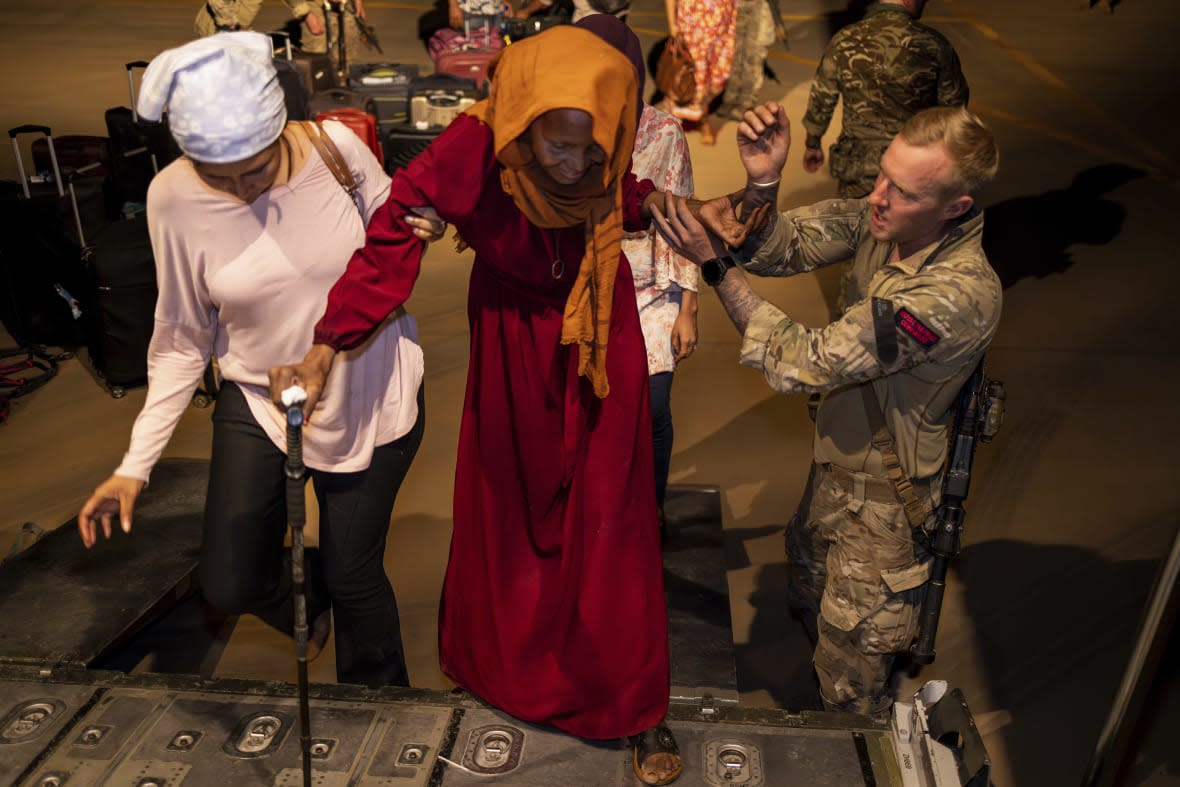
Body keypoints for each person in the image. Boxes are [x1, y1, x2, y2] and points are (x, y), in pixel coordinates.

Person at [268, 26, 756, 785]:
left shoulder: (608, 145)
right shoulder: (472, 143)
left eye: (590, 150)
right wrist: (328, 343)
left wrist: (709, 199)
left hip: (599, 330)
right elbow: (393, 232)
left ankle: (633, 704)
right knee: (511, 513)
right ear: (522, 119)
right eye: (556, 147)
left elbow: (623, 196)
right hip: (510, 338)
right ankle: (512, 672)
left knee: (611, 519)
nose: (573, 164)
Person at [75, 33, 425, 690]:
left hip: (369, 384)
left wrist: (428, 221)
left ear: (280, 130)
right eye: (219, 176)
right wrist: (134, 466)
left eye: (256, 171)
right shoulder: (172, 197)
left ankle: (380, 706)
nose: (240, 191)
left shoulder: (337, 151)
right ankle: (308, 598)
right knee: (229, 580)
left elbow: (397, 244)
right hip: (257, 395)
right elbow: (181, 336)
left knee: (356, 576)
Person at [652, 102, 1001, 719]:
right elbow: (780, 246)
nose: (877, 197)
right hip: (838, 470)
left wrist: (714, 264)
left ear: (955, 209)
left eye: (903, 189)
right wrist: (763, 183)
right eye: (881, 174)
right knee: (809, 593)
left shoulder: (953, 294)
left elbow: (802, 361)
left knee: (851, 676)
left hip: (888, 509)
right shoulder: (890, 220)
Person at [575, 14, 698, 532]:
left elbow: (684, 219)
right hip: (588, 288)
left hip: (651, 288)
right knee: (595, 408)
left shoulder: (664, 133)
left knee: (653, 405)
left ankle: (651, 504)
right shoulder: (571, 128)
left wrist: (687, 307)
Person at [801, 0, 969, 199]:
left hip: (858, 167)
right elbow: (954, 107)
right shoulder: (934, 44)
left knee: (856, 224)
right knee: (909, 223)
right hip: (913, 162)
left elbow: (822, 98)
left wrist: (813, 143)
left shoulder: (844, 39)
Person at [664, 0, 738, 145]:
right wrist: (672, 23)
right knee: (691, 73)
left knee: (719, 74)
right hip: (693, 22)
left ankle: (694, 113)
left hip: (724, 25)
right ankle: (698, 120)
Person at [714, 0, 777, 123]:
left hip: (757, 8)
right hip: (734, 7)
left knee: (753, 58)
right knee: (733, 56)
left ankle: (746, 102)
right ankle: (730, 99)